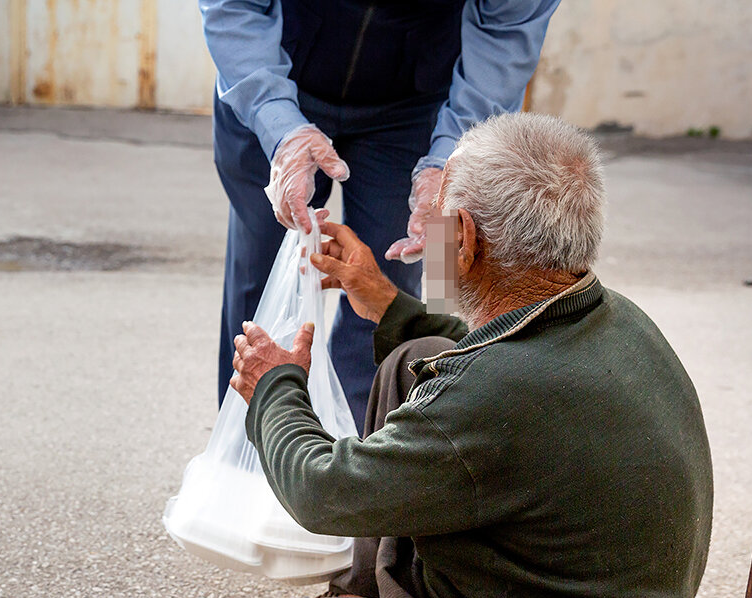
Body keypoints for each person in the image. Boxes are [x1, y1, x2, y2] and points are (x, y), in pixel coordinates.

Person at [187, 113, 714, 598]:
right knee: (418, 354)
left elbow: (321, 491)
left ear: (463, 236)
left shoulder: (497, 396)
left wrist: (275, 385)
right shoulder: (613, 317)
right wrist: (382, 298)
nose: (420, 237)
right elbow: (482, 360)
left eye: (432, 219)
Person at [200, 0, 562, 432]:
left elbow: (505, 36)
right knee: (259, 294)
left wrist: (450, 157)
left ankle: (362, 469)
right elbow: (233, 7)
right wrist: (276, 122)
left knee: (394, 291)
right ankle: (248, 466)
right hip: (273, 84)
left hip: (419, 107)